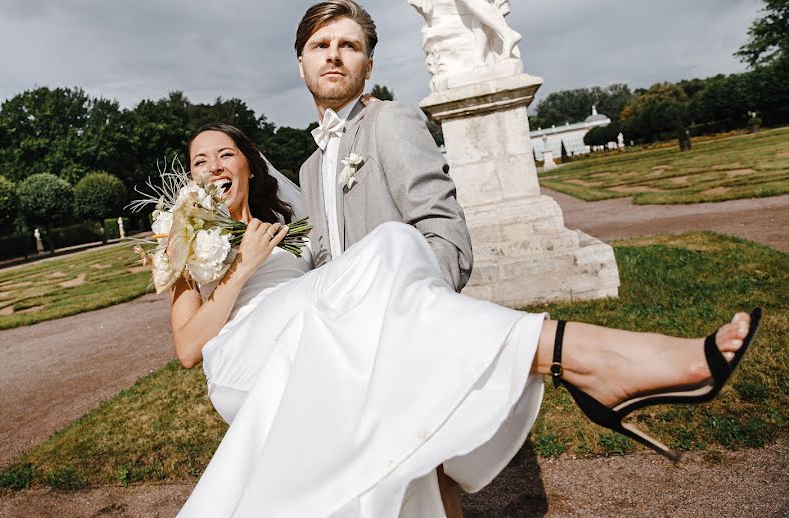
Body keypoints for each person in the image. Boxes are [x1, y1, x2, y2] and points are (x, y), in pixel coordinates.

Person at [169, 123, 759, 517]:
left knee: (394, 268)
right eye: (200, 160)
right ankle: (588, 358)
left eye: (225, 152)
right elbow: (189, 348)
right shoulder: (178, 237)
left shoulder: (290, 230)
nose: (213, 165)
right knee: (388, 251)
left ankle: (585, 362)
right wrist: (242, 269)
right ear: (191, 177)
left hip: (309, 338)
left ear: (248, 164)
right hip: (245, 357)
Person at [296, 0, 471, 515]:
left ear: (368, 64)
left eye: (349, 46)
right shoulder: (308, 169)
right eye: (320, 46)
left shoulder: (391, 122)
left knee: (431, 488)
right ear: (301, 63)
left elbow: (449, 239)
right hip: (342, 361)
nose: (333, 56)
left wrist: (406, 316)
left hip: (404, 344)